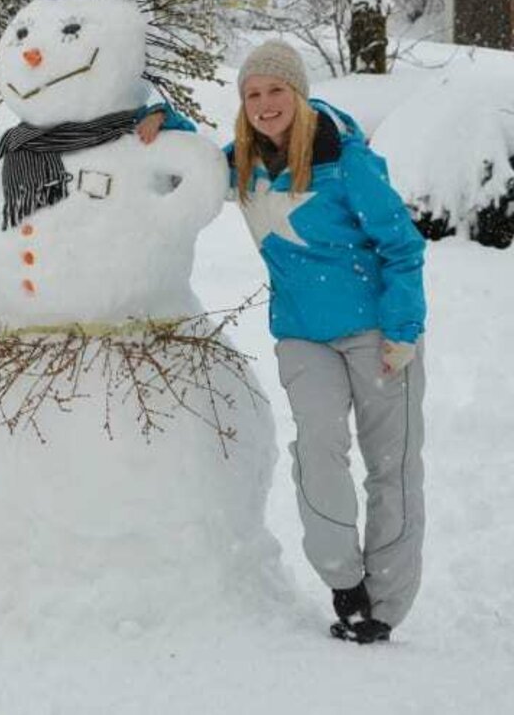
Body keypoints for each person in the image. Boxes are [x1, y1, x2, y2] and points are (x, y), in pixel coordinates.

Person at [137, 41, 427, 643]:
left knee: (390, 465)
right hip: (303, 336)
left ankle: (388, 604)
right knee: (317, 452)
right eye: (253, 94)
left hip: (378, 332)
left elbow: (402, 247)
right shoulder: (244, 160)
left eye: (276, 91)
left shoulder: (345, 160)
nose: (266, 104)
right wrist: (170, 123)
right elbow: (197, 166)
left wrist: (402, 330)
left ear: (296, 93)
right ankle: (345, 585)